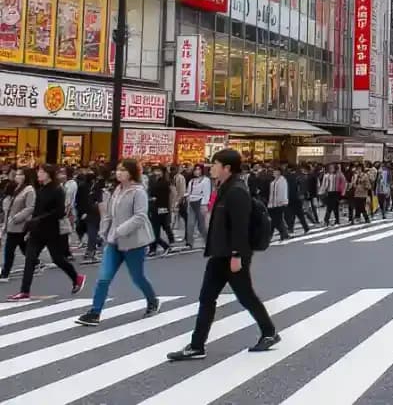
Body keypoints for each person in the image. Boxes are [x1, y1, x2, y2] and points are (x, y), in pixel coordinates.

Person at [167, 149, 279, 360]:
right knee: (208, 297)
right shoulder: (226, 187)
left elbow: (240, 227)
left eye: (215, 164)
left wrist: (237, 255)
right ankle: (197, 345)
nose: (212, 168)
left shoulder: (236, 191)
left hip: (232, 255)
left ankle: (269, 332)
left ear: (227, 167)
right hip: (220, 253)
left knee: (245, 296)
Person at [76, 159, 159, 326]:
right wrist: (103, 232)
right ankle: (95, 312)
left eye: (123, 170)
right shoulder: (117, 190)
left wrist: (121, 230)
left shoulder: (138, 192)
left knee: (137, 277)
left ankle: (152, 300)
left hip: (134, 242)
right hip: (114, 242)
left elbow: (141, 216)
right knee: (104, 278)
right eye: (118, 170)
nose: (119, 173)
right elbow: (108, 214)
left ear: (132, 173)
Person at [7, 165, 85, 301]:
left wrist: (40, 219)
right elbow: (36, 210)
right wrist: (29, 227)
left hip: (52, 231)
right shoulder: (40, 189)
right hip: (37, 231)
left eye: (41, 172)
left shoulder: (58, 190)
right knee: (30, 260)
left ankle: (76, 277)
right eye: (38, 171)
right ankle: (24, 291)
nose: (38, 174)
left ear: (49, 174)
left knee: (58, 259)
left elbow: (60, 212)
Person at [0, 169, 35, 281]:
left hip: (20, 224)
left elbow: (30, 207)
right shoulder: (13, 188)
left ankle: (5, 273)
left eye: (20, 174)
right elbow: (8, 208)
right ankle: (36, 262)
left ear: (26, 176)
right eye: (17, 174)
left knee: (9, 249)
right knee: (23, 247)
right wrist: (4, 226)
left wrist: (17, 218)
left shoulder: (29, 190)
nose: (17, 176)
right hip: (11, 224)